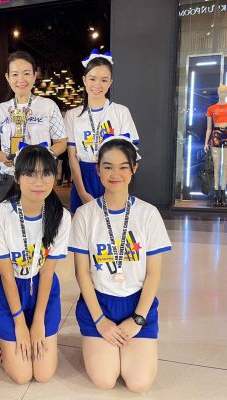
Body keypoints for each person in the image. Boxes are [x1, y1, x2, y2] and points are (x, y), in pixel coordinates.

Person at [68, 136, 171, 393]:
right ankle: (97, 342)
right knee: (105, 380)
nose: (115, 174)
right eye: (108, 167)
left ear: (134, 168)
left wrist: (138, 318)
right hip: (99, 303)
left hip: (137, 304)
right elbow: (82, 273)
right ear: (98, 170)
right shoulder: (85, 215)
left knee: (138, 383)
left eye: (123, 167)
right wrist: (100, 320)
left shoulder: (148, 214)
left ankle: (125, 345)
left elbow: (153, 274)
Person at [0, 145, 71, 384]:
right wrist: (20, 323)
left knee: (43, 374)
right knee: (22, 375)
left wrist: (39, 321)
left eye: (46, 174)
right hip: (8, 289)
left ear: (55, 176)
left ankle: (30, 328)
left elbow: (48, 273)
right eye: (31, 174)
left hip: (42, 288)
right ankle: (2, 341)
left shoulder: (61, 216)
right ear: (17, 178)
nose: (39, 182)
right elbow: (5, 275)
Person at [0, 50, 67, 201]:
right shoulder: (0, 110)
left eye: (26, 73)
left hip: (40, 176)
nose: (21, 79)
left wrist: (43, 157)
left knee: (39, 216)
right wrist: (3, 157)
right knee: (8, 216)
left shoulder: (48, 106)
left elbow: (61, 143)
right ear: (8, 77)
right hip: (8, 176)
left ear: (34, 76)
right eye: (15, 74)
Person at [65, 49, 139, 214]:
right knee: (82, 226)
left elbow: (130, 154)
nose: (97, 85)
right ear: (84, 80)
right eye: (92, 79)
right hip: (83, 178)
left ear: (110, 82)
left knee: (112, 223)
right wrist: (82, 193)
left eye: (104, 80)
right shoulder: (72, 115)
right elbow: (72, 156)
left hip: (113, 175)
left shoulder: (121, 112)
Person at [204, 84, 227, 207]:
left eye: (225, 92)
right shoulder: (211, 109)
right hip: (216, 134)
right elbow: (209, 128)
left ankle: (223, 194)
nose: (223, 94)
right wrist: (206, 142)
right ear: (218, 93)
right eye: (221, 91)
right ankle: (216, 194)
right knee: (217, 167)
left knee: (226, 166)